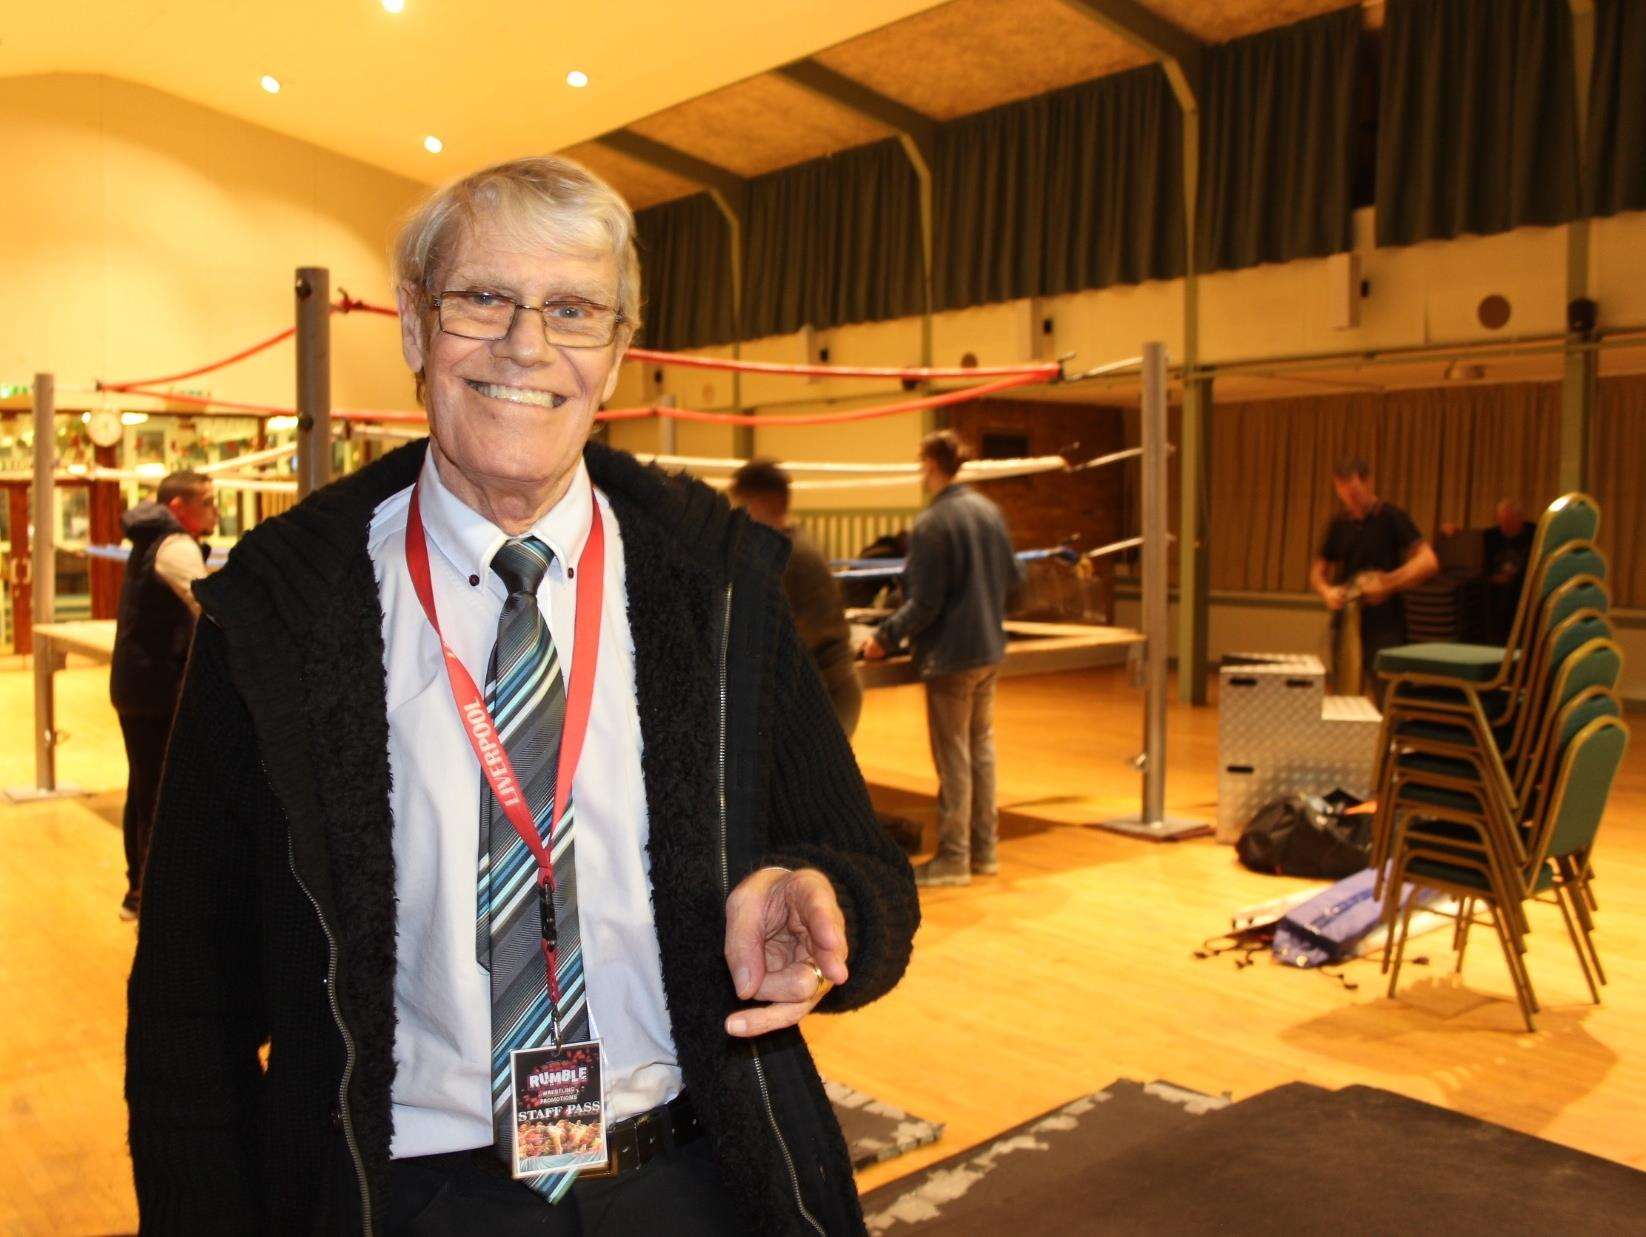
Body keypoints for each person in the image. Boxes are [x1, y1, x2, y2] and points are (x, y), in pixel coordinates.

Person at [126, 156, 917, 1236]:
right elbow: (186, 1006)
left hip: (688, 1177)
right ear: (412, 327)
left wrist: (829, 908)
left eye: (572, 309)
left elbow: (864, 868)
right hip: (405, 1192)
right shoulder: (276, 611)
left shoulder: (719, 586)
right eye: (482, 299)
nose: (526, 345)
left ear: (617, 351)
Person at [861, 431, 1023, 888]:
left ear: (932, 463)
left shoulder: (934, 523)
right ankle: (985, 851)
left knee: (954, 757)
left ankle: (954, 858)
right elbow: (1015, 579)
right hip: (989, 650)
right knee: (981, 752)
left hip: (953, 656)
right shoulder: (990, 512)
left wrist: (884, 639)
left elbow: (924, 603)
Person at [107, 469, 217, 920]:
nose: (215, 510)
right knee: (161, 790)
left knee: (145, 785)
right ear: (179, 508)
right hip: (157, 688)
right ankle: (154, 898)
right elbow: (210, 606)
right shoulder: (176, 546)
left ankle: (140, 892)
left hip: (137, 684)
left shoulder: (151, 540)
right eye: (207, 502)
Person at [728, 458, 861, 738]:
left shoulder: (783, 556)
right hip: (829, 689)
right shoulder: (792, 543)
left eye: (738, 504)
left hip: (826, 693)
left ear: (753, 504)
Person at [1310, 456, 1439, 707]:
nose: (1350, 499)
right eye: (1343, 492)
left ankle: (1388, 743)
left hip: (1385, 624)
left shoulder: (1392, 517)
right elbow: (1317, 571)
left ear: (1368, 482)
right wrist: (1327, 591)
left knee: (1387, 696)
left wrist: (1389, 582)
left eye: (1355, 492)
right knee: (1345, 695)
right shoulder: (1338, 524)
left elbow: (1428, 561)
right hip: (1347, 622)